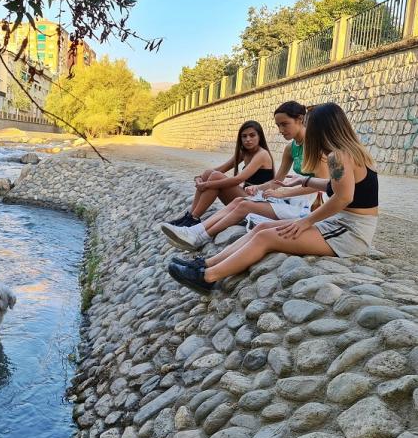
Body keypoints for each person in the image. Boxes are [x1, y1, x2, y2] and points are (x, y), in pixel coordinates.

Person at [168, 102, 379, 295]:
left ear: (321, 129)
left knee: (265, 238)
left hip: (350, 232)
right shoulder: (352, 152)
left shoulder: (338, 156)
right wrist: (303, 181)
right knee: (261, 228)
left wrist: (305, 222)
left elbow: (343, 197)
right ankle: (206, 264)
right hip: (343, 225)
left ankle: (207, 277)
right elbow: (336, 186)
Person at [161, 101, 328, 250]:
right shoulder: (290, 148)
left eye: (284, 124)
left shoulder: (314, 147)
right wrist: (260, 187)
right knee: (239, 200)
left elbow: (325, 184)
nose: (281, 130)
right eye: (278, 126)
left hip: (309, 207)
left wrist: (285, 192)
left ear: (300, 119)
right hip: (289, 200)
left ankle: (198, 236)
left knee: (243, 205)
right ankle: (193, 230)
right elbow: (277, 181)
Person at [166, 120, 275, 228]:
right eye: (244, 136)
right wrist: (200, 177)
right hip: (246, 198)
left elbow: (238, 179)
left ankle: (194, 218)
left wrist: (206, 185)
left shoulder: (262, 154)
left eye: (252, 135)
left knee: (215, 177)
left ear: (259, 136)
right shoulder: (244, 152)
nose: (248, 139)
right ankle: (190, 216)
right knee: (209, 173)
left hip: (259, 203)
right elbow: (222, 168)